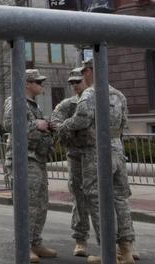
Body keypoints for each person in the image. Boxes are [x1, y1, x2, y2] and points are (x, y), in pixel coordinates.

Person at [59, 60, 137, 264]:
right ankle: (126, 250)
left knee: (96, 198)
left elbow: (82, 120)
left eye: (84, 71)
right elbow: (124, 122)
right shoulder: (118, 94)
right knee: (120, 198)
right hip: (117, 149)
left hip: (96, 150)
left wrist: (63, 126)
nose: (82, 76)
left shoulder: (90, 94)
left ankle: (109, 250)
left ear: (90, 71)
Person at [4, 69, 58, 263]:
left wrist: (45, 126)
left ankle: (36, 242)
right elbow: (10, 125)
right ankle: (24, 246)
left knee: (41, 203)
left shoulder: (33, 105)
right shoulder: (15, 101)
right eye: (37, 81)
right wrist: (37, 125)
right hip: (23, 159)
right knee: (28, 204)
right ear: (27, 83)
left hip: (37, 158)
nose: (41, 85)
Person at [51, 67, 94, 257]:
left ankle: (119, 242)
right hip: (75, 154)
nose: (75, 85)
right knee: (78, 196)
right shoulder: (67, 105)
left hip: (94, 153)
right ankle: (80, 239)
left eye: (78, 81)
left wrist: (72, 127)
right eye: (72, 83)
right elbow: (55, 123)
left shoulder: (96, 100)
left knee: (102, 197)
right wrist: (71, 130)